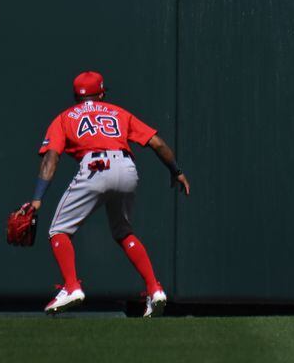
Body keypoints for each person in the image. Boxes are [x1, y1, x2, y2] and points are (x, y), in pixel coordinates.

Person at [27, 70, 190, 317]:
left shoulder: (64, 117)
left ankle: (72, 286)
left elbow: (51, 157)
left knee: (58, 231)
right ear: (101, 93)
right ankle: (155, 289)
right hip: (126, 168)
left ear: (75, 95)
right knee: (123, 232)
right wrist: (176, 170)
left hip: (94, 167)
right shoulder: (117, 112)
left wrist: (38, 198)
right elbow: (157, 143)